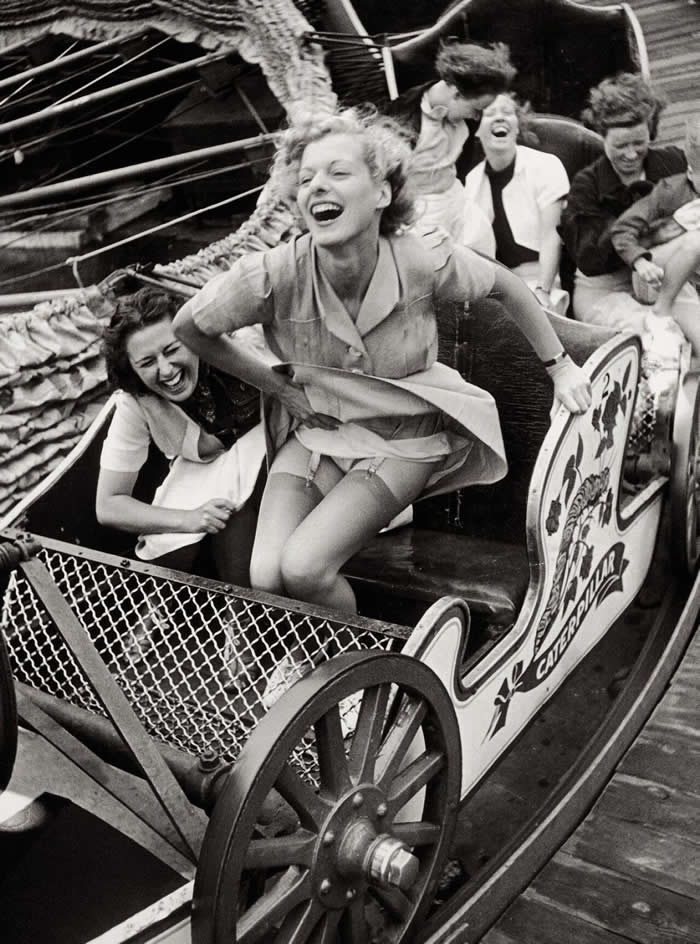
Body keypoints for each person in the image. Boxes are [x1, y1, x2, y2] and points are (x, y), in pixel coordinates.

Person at [172, 107, 592, 701]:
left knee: (305, 570)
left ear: (383, 192)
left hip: (403, 439)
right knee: (264, 575)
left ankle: (364, 680)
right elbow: (191, 326)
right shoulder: (271, 274)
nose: (317, 186)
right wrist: (277, 386)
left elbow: (506, 286)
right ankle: (315, 657)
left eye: (337, 173)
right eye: (307, 177)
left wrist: (561, 366)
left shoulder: (421, 257)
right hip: (317, 433)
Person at [96, 287, 266, 585]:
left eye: (172, 349)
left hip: (274, 453)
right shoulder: (136, 400)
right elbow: (108, 504)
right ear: (131, 369)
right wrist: (188, 519)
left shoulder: (244, 344)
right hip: (209, 473)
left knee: (237, 516)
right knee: (172, 546)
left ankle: (241, 612)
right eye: (147, 363)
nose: (166, 370)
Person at [559, 72, 687, 333]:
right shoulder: (587, 185)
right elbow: (590, 259)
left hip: (665, 277)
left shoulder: (673, 162)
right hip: (605, 289)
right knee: (657, 331)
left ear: (651, 131)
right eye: (620, 145)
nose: (631, 154)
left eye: (639, 142)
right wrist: (653, 234)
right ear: (602, 136)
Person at [399, 41, 516, 246]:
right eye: (477, 109)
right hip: (419, 211)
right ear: (456, 94)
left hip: (457, 200)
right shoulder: (401, 119)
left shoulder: (466, 121)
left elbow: (463, 167)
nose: (478, 118)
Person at [464, 92, 570, 314]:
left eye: (507, 112)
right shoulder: (471, 181)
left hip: (542, 281)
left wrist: (543, 291)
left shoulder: (545, 165)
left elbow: (552, 235)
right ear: (476, 129)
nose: (499, 118)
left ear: (517, 126)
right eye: (489, 113)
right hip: (496, 287)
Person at [610, 116, 700, 350]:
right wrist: (640, 261)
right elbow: (622, 228)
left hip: (692, 283)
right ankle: (661, 312)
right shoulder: (671, 191)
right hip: (654, 276)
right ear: (690, 172)